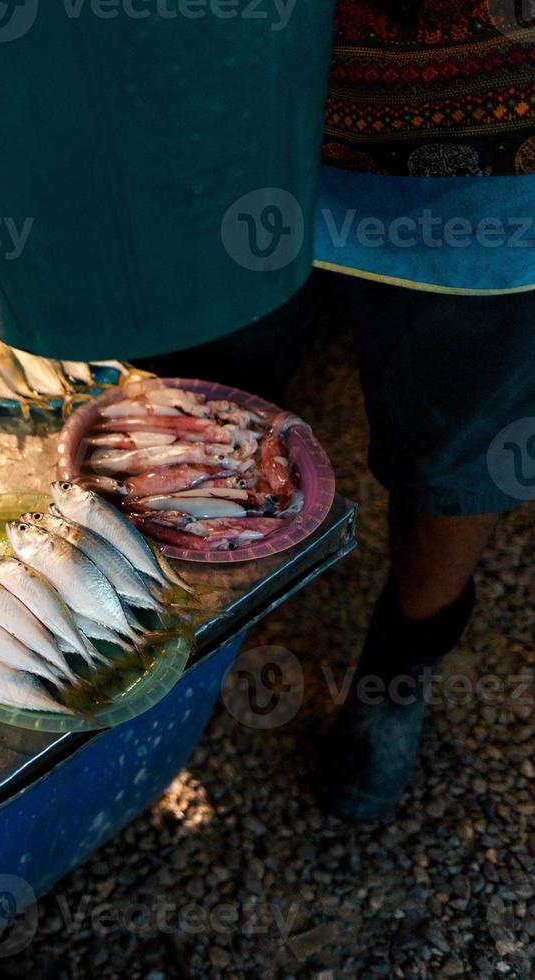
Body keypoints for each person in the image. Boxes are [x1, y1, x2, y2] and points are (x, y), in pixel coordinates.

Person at [144, 1, 535, 822]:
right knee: (206, 409)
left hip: (497, 136)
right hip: (237, 97)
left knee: (458, 453)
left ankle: (401, 667)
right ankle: (194, 641)